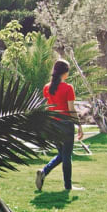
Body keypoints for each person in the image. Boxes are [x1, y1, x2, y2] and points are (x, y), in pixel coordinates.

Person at [36, 59, 77, 192]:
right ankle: (68, 186)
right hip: (66, 124)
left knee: (62, 154)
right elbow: (71, 109)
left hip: (53, 125)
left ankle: (44, 172)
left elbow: (47, 107)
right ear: (64, 72)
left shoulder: (47, 87)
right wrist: (79, 125)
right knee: (67, 156)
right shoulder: (68, 88)